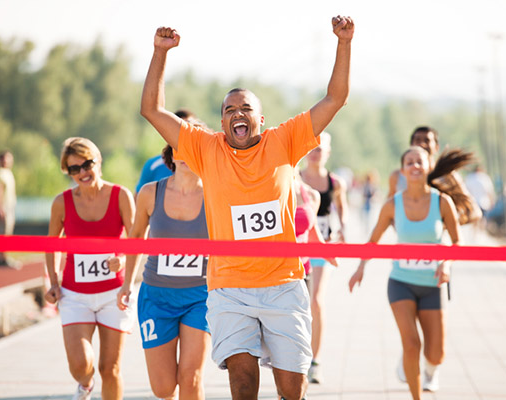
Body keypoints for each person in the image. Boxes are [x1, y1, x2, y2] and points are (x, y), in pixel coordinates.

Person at [140, 15, 354, 400]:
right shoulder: (206, 149)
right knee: (242, 383)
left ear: (260, 118)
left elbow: (335, 99)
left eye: (245, 108)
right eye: (229, 110)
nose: (237, 113)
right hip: (230, 289)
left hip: (282, 285)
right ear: (222, 121)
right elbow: (152, 111)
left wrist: (343, 43)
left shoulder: (286, 140)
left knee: (292, 389)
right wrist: (160, 53)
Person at [349, 146, 474, 400]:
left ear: (428, 167)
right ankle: (416, 395)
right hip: (401, 283)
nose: (415, 166)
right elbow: (373, 241)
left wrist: (446, 264)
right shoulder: (391, 205)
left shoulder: (442, 202)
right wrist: (360, 267)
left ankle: (427, 369)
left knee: (436, 353)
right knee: (411, 344)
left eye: (419, 161)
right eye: (409, 162)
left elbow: (457, 242)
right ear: (402, 170)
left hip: (433, 284)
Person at [117, 127, 211, 399]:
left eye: (193, 147)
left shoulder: (215, 195)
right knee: (163, 388)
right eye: (179, 147)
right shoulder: (149, 193)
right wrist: (126, 285)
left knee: (191, 377)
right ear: (170, 152)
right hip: (156, 296)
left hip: (200, 296)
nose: (185, 154)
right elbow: (135, 238)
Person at [44, 137, 135, 400]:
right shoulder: (61, 203)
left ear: (98, 161)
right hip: (75, 295)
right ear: (68, 172)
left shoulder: (121, 196)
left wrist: (124, 259)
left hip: (114, 293)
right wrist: (53, 281)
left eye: (87, 164)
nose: (82, 173)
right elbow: (51, 245)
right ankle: (85, 385)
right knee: (80, 366)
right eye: (74, 169)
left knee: (111, 368)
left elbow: (137, 240)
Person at [299, 132, 348, 383]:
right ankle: (297, 358)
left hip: (322, 248)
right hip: (298, 248)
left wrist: (343, 230)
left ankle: (314, 362)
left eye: (320, 149)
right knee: (300, 303)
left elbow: (342, 209)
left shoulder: (335, 183)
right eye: (312, 148)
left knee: (316, 300)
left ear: (327, 152)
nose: (315, 153)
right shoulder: (295, 179)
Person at [387, 126, 481, 225]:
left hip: (441, 239)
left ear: (436, 147)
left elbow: (475, 212)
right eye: (417, 140)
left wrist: (447, 225)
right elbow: (388, 212)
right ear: (411, 145)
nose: (422, 144)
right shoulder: (397, 177)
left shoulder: (449, 176)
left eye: (427, 140)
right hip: (408, 240)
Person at [135, 110, 199, 195]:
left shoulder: (206, 169)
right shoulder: (153, 165)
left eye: (189, 127)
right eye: (179, 128)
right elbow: (138, 199)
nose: (184, 134)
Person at [0, 150, 20, 268]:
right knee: (2, 233)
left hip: (9, 207)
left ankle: (3, 257)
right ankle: (1, 259)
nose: (7, 161)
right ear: (0, 160)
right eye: (4, 159)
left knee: (7, 233)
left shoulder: (8, 173)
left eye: (9, 158)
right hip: (3, 207)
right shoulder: (0, 173)